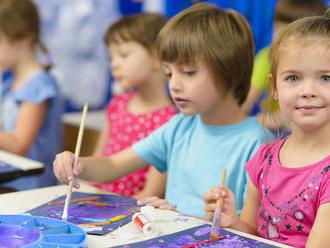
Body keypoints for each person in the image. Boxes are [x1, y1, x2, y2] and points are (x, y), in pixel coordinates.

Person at [53, 3, 272, 217]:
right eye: (169, 73)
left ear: (229, 72)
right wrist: (77, 164)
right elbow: (113, 164)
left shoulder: (258, 141)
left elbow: (252, 230)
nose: (174, 84)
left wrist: (178, 216)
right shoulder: (179, 127)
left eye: (188, 72)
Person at [205, 9, 330, 248]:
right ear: (274, 87)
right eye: (293, 78)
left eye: (326, 78)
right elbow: (253, 235)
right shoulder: (264, 158)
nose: (308, 90)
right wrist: (232, 222)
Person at [92, 13, 177, 199]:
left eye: (123, 55)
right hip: (95, 201)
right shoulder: (117, 104)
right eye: (111, 57)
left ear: (157, 57)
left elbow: (151, 193)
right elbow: (97, 161)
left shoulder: (171, 122)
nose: (114, 64)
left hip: (130, 212)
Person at [0, 0, 63, 190]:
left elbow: (19, 144)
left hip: (30, 186)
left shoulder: (39, 86)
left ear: (22, 39)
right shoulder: (9, 85)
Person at [241, 0, 326, 131]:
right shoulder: (266, 58)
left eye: (325, 78)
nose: (281, 40)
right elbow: (246, 102)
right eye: (277, 30)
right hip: (280, 131)